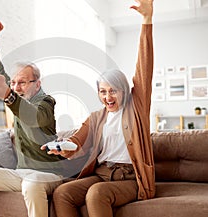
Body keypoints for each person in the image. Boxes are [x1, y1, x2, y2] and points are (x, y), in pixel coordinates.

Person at [42, 0, 156, 216]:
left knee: (96, 194)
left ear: (124, 90)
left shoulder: (136, 108)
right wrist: (62, 147)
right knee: (63, 193)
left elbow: (145, 66)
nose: (108, 96)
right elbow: (76, 141)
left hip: (131, 178)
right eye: (103, 92)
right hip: (102, 174)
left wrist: (146, 20)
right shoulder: (96, 117)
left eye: (113, 91)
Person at [0, 20, 66, 217]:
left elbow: (34, 117)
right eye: (14, 83)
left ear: (37, 84)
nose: (16, 87)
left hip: (48, 174)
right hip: (20, 173)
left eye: (22, 82)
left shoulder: (46, 102)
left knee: (32, 184)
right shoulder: (18, 97)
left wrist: (8, 94)